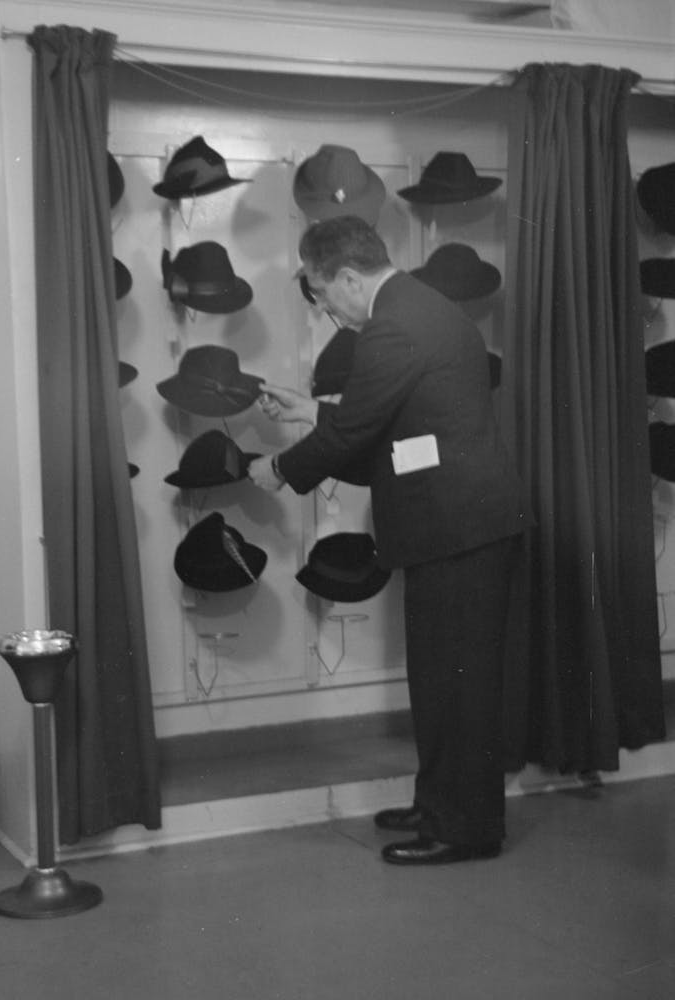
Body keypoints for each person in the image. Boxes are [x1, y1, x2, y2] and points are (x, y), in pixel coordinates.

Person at [248, 215, 529, 865]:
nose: (329, 313)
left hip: (459, 528)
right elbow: (397, 412)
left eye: (324, 296)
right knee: (442, 682)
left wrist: (279, 468)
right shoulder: (418, 308)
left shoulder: (390, 325)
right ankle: (440, 804)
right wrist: (310, 410)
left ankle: (465, 829)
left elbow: (357, 433)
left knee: (458, 688)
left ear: (349, 278)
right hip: (457, 526)